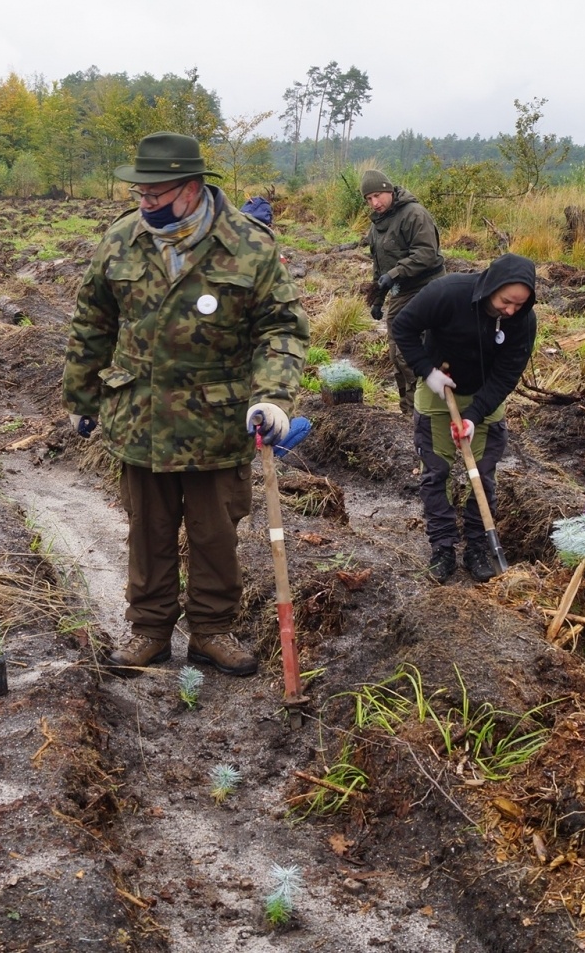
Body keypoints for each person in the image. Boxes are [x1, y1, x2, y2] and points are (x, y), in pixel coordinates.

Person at [64, 132, 309, 678]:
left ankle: (212, 630)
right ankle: (149, 631)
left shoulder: (250, 245)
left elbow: (282, 329)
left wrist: (272, 397)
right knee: (146, 528)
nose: (145, 202)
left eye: (156, 193)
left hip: (215, 421)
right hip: (141, 419)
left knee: (214, 531)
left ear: (193, 188)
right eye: (140, 193)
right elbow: (92, 322)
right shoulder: (121, 240)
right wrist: (81, 396)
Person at [392, 254, 537, 584]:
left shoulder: (523, 321)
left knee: (482, 474)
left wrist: (473, 416)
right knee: (437, 471)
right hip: (439, 389)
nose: (511, 310)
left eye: (520, 304)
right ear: (492, 287)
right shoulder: (448, 292)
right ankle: (442, 548)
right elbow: (403, 327)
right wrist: (427, 371)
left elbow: (506, 374)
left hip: (485, 396)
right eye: (506, 301)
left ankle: (477, 547)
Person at [362, 169, 445, 414]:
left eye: (377, 195)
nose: (374, 203)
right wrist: (377, 299)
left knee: (407, 350)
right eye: (368, 199)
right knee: (395, 351)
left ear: (389, 189)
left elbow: (426, 254)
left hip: (426, 287)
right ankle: (408, 409)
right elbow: (380, 266)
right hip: (401, 291)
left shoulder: (414, 215)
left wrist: (395, 274)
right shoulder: (377, 224)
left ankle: (421, 410)